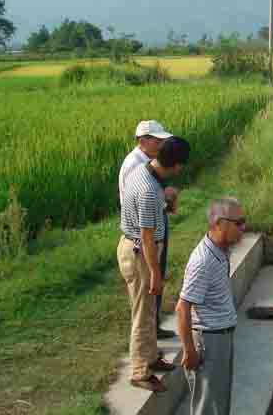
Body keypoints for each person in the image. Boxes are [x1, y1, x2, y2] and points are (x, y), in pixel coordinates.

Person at [118, 136, 190, 392]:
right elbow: (148, 238)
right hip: (140, 254)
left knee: (148, 311)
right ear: (177, 165)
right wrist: (156, 274)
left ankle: (150, 358)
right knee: (142, 314)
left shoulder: (143, 169)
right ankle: (139, 372)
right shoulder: (149, 190)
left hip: (134, 247)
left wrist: (165, 197)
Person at [176, 198, 246, 415]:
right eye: (239, 222)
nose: (244, 228)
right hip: (209, 341)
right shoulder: (203, 261)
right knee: (208, 408)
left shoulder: (221, 250)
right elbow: (182, 307)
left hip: (220, 338)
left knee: (218, 405)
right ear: (218, 223)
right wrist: (189, 350)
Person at [118, 120, 177, 340]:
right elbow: (139, 203)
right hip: (143, 230)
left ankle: (153, 326)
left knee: (155, 279)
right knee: (150, 281)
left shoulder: (146, 160)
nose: (161, 145)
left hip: (151, 222)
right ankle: (148, 335)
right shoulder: (136, 164)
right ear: (142, 141)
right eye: (157, 140)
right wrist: (165, 199)